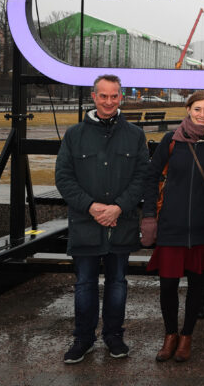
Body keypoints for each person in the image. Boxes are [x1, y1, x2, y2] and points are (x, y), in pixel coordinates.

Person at [55, 74, 149, 364]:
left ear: (121, 97)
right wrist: (92, 207)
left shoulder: (135, 135)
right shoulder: (74, 134)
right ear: (94, 97)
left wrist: (118, 208)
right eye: (103, 96)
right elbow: (64, 177)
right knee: (84, 284)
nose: (109, 101)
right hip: (86, 223)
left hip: (121, 223)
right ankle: (83, 338)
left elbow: (141, 177)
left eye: (114, 96)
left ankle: (113, 335)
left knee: (118, 282)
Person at [141, 91, 204, 363]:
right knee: (167, 286)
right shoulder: (171, 140)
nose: (203, 114)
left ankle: (187, 336)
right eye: (197, 109)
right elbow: (152, 176)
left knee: (197, 287)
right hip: (172, 226)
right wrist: (149, 215)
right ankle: (170, 335)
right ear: (188, 109)